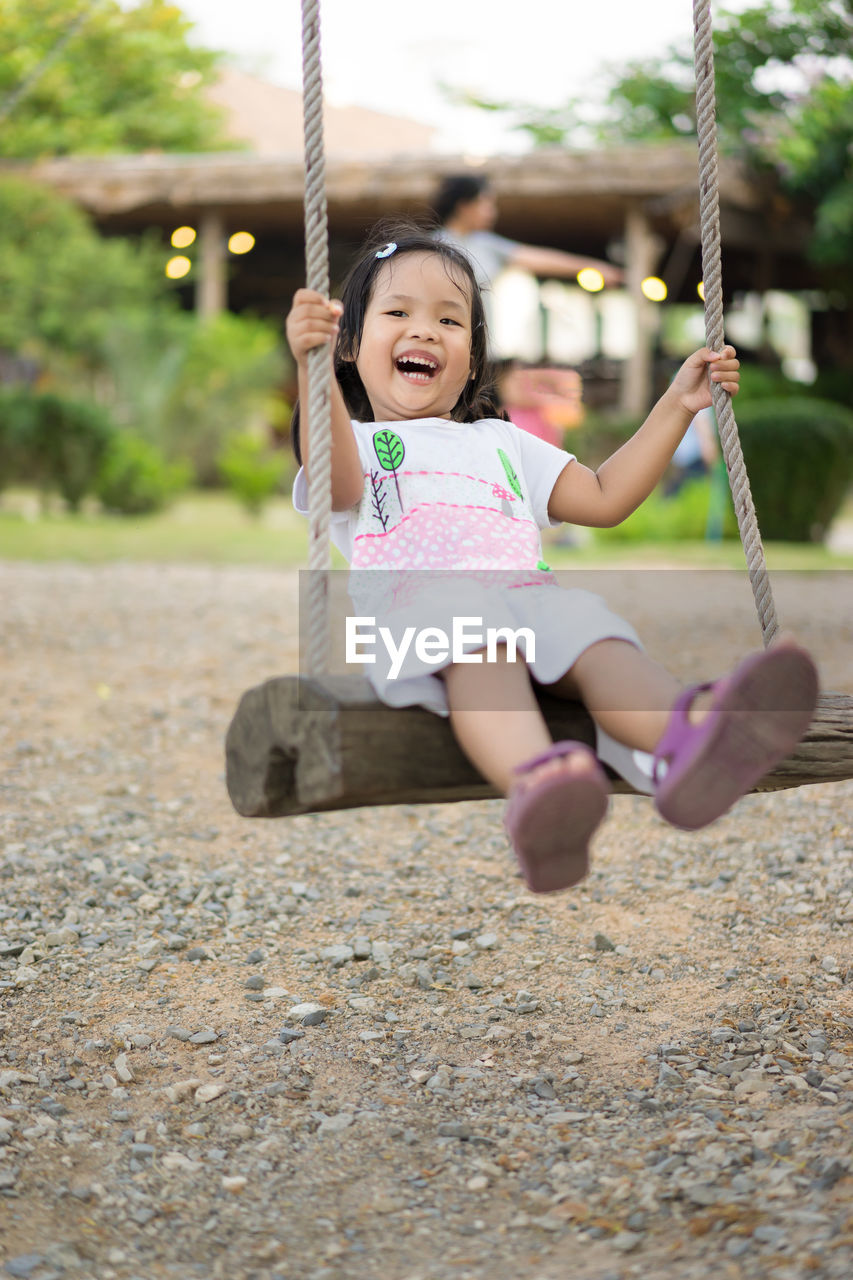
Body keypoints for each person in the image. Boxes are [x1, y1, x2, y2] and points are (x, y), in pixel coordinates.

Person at [286, 226, 818, 895]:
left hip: (528, 600)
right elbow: (334, 483)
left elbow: (602, 496)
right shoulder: (355, 442)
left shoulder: (502, 442)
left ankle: (688, 739)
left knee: (592, 634)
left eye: (449, 320)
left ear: (473, 358)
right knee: (476, 635)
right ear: (348, 343)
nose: (424, 332)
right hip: (423, 612)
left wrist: (677, 406)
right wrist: (311, 375)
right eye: (397, 313)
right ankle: (540, 786)